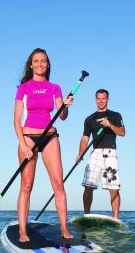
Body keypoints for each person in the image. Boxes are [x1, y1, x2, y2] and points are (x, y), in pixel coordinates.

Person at [13, 48, 73, 242]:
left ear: (48, 64)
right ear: (31, 65)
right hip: (28, 137)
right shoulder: (24, 87)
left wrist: (64, 106)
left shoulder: (54, 87)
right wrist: (23, 145)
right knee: (27, 185)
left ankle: (65, 229)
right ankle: (23, 231)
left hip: (50, 137)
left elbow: (62, 116)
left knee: (58, 184)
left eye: (43, 61)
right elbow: (16, 120)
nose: (40, 64)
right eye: (36, 61)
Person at [76, 89, 126, 219]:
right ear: (95, 99)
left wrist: (109, 125)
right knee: (88, 185)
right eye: (98, 98)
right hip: (95, 153)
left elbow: (122, 132)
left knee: (113, 188)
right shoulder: (89, 119)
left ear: (108, 99)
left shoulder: (115, 115)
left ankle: (116, 218)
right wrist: (80, 154)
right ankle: (86, 215)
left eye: (103, 98)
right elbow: (85, 138)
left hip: (110, 152)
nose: (101, 101)